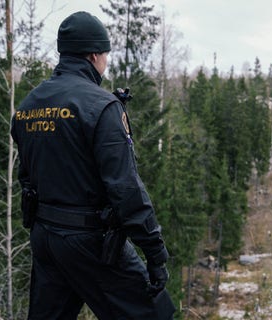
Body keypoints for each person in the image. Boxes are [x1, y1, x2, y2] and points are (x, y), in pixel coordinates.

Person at [11, 11, 175, 320]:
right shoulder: (101, 106)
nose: (106, 62)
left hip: (45, 238)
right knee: (154, 314)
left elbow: (27, 177)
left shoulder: (28, 105)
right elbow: (125, 189)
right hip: (90, 242)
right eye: (106, 55)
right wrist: (155, 253)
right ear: (95, 54)